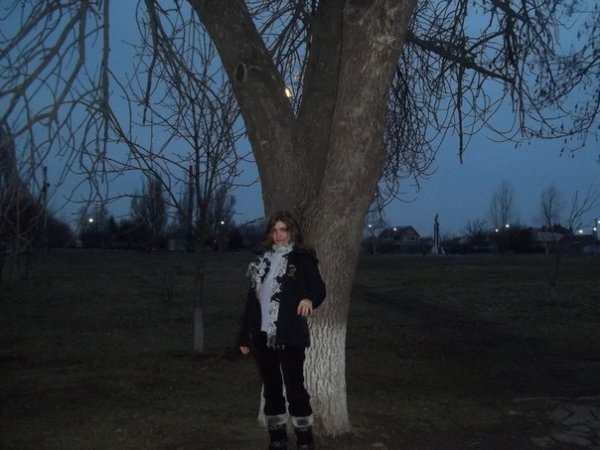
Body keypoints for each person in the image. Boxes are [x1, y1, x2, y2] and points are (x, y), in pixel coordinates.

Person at [238, 211, 326, 450]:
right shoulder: (262, 261)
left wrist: (309, 299)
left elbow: (319, 289)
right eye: (274, 230)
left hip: (290, 335)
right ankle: (277, 438)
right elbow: (252, 303)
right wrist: (245, 337)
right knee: (272, 388)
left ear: (291, 232)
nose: (278, 235)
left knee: (295, 388)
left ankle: (305, 440)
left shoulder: (302, 258)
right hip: (262, 336)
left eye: (283, 230)